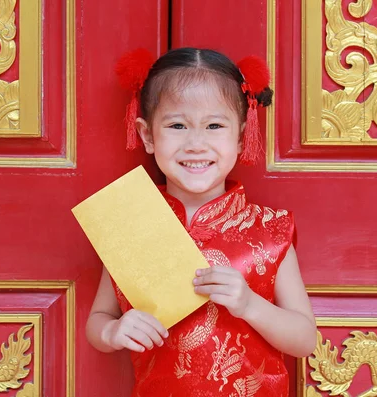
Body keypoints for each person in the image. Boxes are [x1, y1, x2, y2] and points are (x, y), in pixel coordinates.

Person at [86, 47, 317, 396]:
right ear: (147, 135)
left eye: (214, 126)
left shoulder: (269, 231)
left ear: (241, 136)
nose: (196, 144)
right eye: (177, 125)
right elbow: (98, 319)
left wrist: (250, 305)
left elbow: (304, 340)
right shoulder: (131, 223)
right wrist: (112, 333)